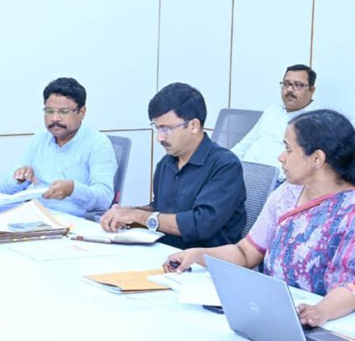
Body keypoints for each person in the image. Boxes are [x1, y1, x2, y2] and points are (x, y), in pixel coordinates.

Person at [166, 109, 355, 327]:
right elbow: (246, 252)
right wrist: (198, 255)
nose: (281, 157)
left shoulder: (349, 209)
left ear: (317, 158)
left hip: (329, 323)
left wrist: (321, 311)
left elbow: (351, 285)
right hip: (273, 312)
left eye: (288, 149)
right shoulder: (287, 193)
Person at [100, 82, 246, 249]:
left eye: (166, 129)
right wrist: (127, 213)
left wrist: (138, 216)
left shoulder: (225, 166)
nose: (159, 138)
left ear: (193, 126)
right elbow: (161, 209)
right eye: (157, 128)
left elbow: (200, 224)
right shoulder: (167, 163)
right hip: (162, 251)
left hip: (203, 259)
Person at [0, 77, 117, 217]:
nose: (55, 118)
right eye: (49, 111)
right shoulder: (39, 139)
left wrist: (73, 189)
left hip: (73, 221)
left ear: (82, 112)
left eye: (64, 111)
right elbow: (2, 191)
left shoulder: (98, 143)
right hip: (34, 216)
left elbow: (104, 199)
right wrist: (18, 179)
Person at [232, 64, 318, 181]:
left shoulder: (317, 120)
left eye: (298, 85)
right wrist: (225, 162)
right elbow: (246, 143)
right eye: (286, 84)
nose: (289, 90)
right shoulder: (272, 111)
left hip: (276, 183)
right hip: (243, 173)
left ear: (312, 90)